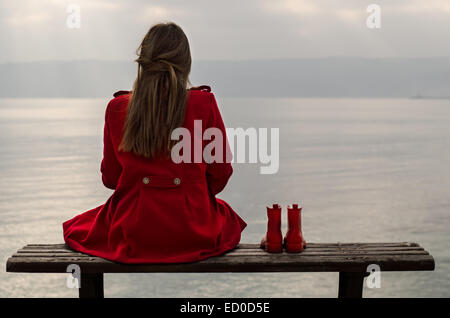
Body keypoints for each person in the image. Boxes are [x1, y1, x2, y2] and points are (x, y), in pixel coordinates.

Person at [62, 22, 246, 264]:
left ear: (144, 62)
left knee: (80, 225)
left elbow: (110, 179)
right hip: (193, 232)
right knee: (226, 216)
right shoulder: (204, 104)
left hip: (134, 231)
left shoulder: (118, 108)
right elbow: (220, 176)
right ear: (186, 63)